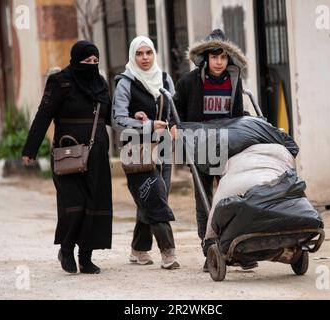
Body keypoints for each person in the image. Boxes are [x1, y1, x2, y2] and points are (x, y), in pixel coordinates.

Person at [22, 40, 113, 274]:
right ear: (75, 60)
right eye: (86, 61)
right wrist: (30, 149)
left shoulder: (100, 84)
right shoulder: (60, 82)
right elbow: (44, 115)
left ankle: (86, 256)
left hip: (97, 156)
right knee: (75, 204)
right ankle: (67, 248)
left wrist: (142, 121)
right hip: (68, 155)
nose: (91, 65)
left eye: (95, 61)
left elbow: (111, 116)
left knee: (94, 203)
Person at [173, 29, 248, 272]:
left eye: (223, 57)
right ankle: (210, 251)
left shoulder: (234, 80)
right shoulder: (189, 81)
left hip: (228, 144)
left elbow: (237, 114)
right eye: (214, 56)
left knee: (232, 195)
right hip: (200, 145)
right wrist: (174, 127)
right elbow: (175, 109)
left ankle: (239, 247)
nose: (219, 62)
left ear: (229, 59)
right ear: (205, 57)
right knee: (204, 201)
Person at [112, 36, 179, 270]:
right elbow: (117, 119)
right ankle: (168, 253)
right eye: (139, 54)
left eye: (148, 53)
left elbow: (173, 111)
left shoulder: (164, 79)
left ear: (154, 54)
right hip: (136, 151)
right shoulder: (125, 82)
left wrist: (174, 125)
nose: (144, 58)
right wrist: (146, 125)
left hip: (163, 150)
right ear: (133, 56)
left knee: (151, 199)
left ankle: (138, 249)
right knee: (154, 198)